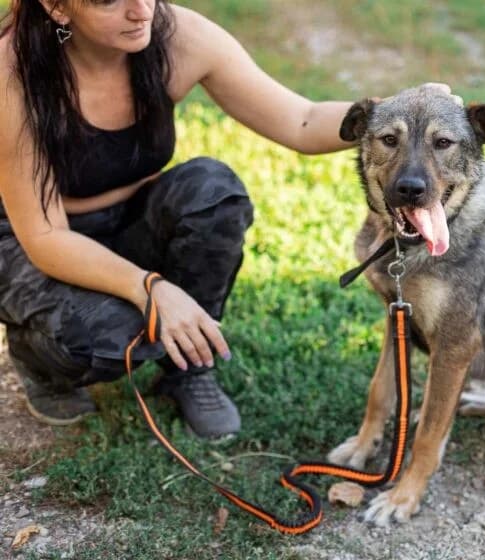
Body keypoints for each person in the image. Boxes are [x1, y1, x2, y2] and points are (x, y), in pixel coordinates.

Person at [0, 0, 448, 438]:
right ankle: (40, 364)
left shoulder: (177, 37)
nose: (141, 10)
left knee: (213, 192)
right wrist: (150, 289)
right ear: (57, 9)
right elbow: (45, 236)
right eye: (108, 1)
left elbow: (302, 120)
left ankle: (187, 367)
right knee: (109, 334)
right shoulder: (11, 75)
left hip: (131, 217)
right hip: (31, 239)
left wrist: (400, 108)